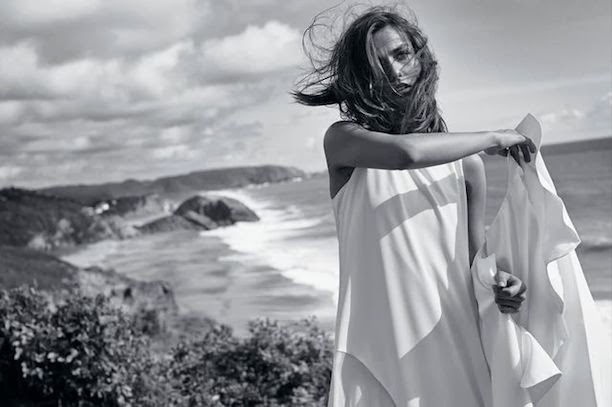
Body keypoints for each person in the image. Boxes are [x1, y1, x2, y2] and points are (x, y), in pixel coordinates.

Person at [293, 5, 536, 406]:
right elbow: (407, 153)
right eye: (376, 63)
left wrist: (502, 285)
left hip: (457, 349)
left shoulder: (468, 167)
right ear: (360, 78)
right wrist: (494, 137)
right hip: (375, 357)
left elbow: (475, 266)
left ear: (423, 59)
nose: (393, 70)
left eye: (401, 54)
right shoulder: (344, 142)